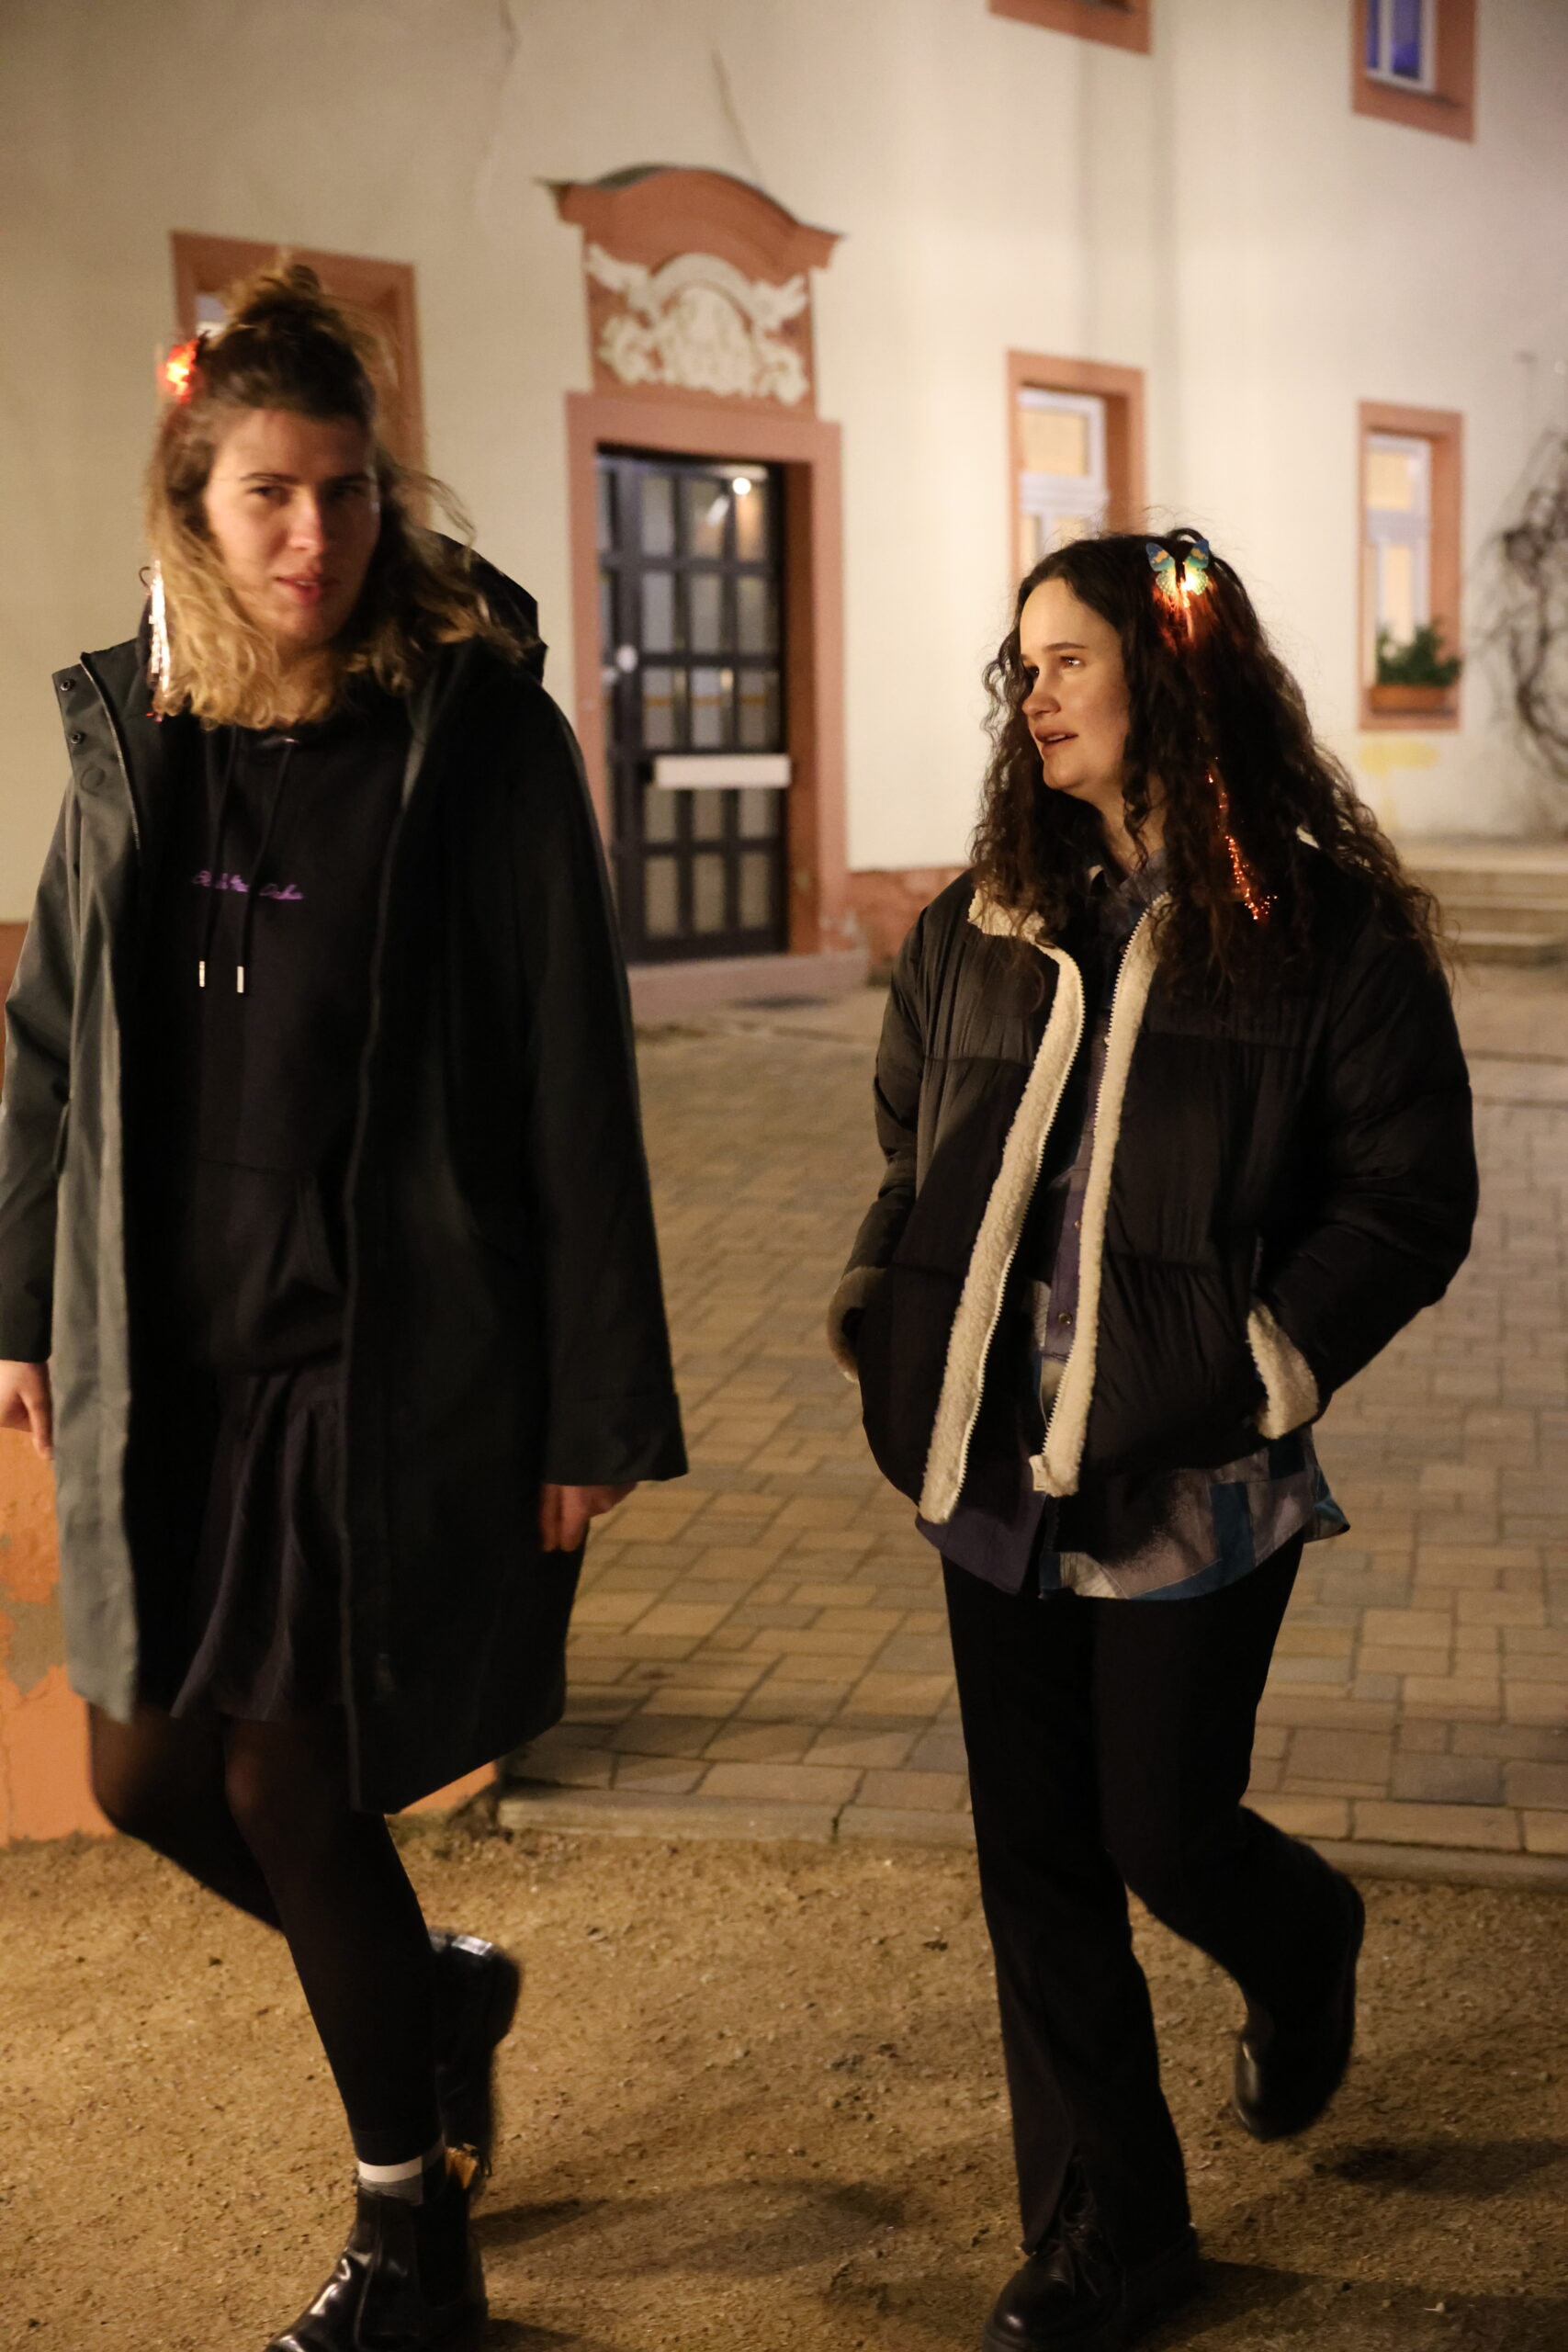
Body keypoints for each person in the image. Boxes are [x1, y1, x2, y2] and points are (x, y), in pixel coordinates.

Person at [0, 264, 684, 2352]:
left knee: (294, 1786)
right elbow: (51, 1036)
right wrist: (24, 1293)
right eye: (271, 496)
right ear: (192, 502)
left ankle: (411, 2243)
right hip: (176, 1364)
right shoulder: (139, 730)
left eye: (351, 490)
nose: (318, 537)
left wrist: (593, 1403)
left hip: (369, 1361)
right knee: (145, 1778)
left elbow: (574, 1080)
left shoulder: (474, 741)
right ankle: (437, 1992)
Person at [829, 529, 1476, 2352]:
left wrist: (1262, 1362)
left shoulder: (1312, 932)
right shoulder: (979, 919)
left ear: (1168, 679)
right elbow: (908, 1139)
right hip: (989, 1454)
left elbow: (1407, 1192)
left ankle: (1301, 1939)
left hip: (1189, 1463)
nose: (1029, 694)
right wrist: (884, 1309)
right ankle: (1113, 2225)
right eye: (1021, 665)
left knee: (1160, 1828)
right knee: (1032, 1854)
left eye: (1068, 661)